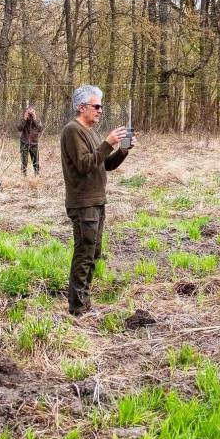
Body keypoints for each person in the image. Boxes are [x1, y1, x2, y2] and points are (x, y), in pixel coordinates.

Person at [61, 85, 135, 316]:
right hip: (83, 203)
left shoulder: (90, 132)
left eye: (101, 106)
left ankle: (85, 302)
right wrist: (108, 142)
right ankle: (78, 308)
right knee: (84, 253)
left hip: (96, 201)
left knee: (93, 253)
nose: (100, 110)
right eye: (96, 106)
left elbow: (104, 164)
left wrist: (122, 150)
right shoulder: (73, 131)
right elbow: (84, 165)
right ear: (82, 107)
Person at [17, 106, 44, 175]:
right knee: (24, 162)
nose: (30, 114)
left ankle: (37, 175)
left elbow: (40, 129)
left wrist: (35, 119)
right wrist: (25, 119)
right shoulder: (23, 119)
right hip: (24, 143)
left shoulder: (37, 119)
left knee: (36, 161)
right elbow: (19, 128)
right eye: (28, 112)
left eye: (32, 112)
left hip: (34, 144)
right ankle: (23, 175)